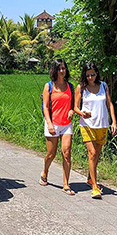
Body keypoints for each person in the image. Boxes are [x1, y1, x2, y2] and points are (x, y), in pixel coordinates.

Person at [74, 62, 117, 199]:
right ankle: (95, 187)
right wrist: (81, 113)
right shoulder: (81, 88)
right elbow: (75, 107)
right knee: (92, 153)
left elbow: (109, 104)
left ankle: (89, 178)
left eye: (92, 74)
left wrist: (114, 122)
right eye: (87, 75)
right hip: (87, 124)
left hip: (102, 124)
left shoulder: (103, 86)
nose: (90, 77)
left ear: (96, 74)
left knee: (96, 155)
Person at [40, 59, 76, 195]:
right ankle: (45, 172)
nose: (62, 71)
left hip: (66, 124)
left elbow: (74, 104)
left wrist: (72, 110)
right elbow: (45, 106)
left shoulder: (70, 86)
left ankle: (66, 184)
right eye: (60, 68)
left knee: (66, 153)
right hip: (53, 123)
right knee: (51, 154)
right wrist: (49, 123)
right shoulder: (49, 86)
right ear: (55, 70)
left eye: (64, 68)